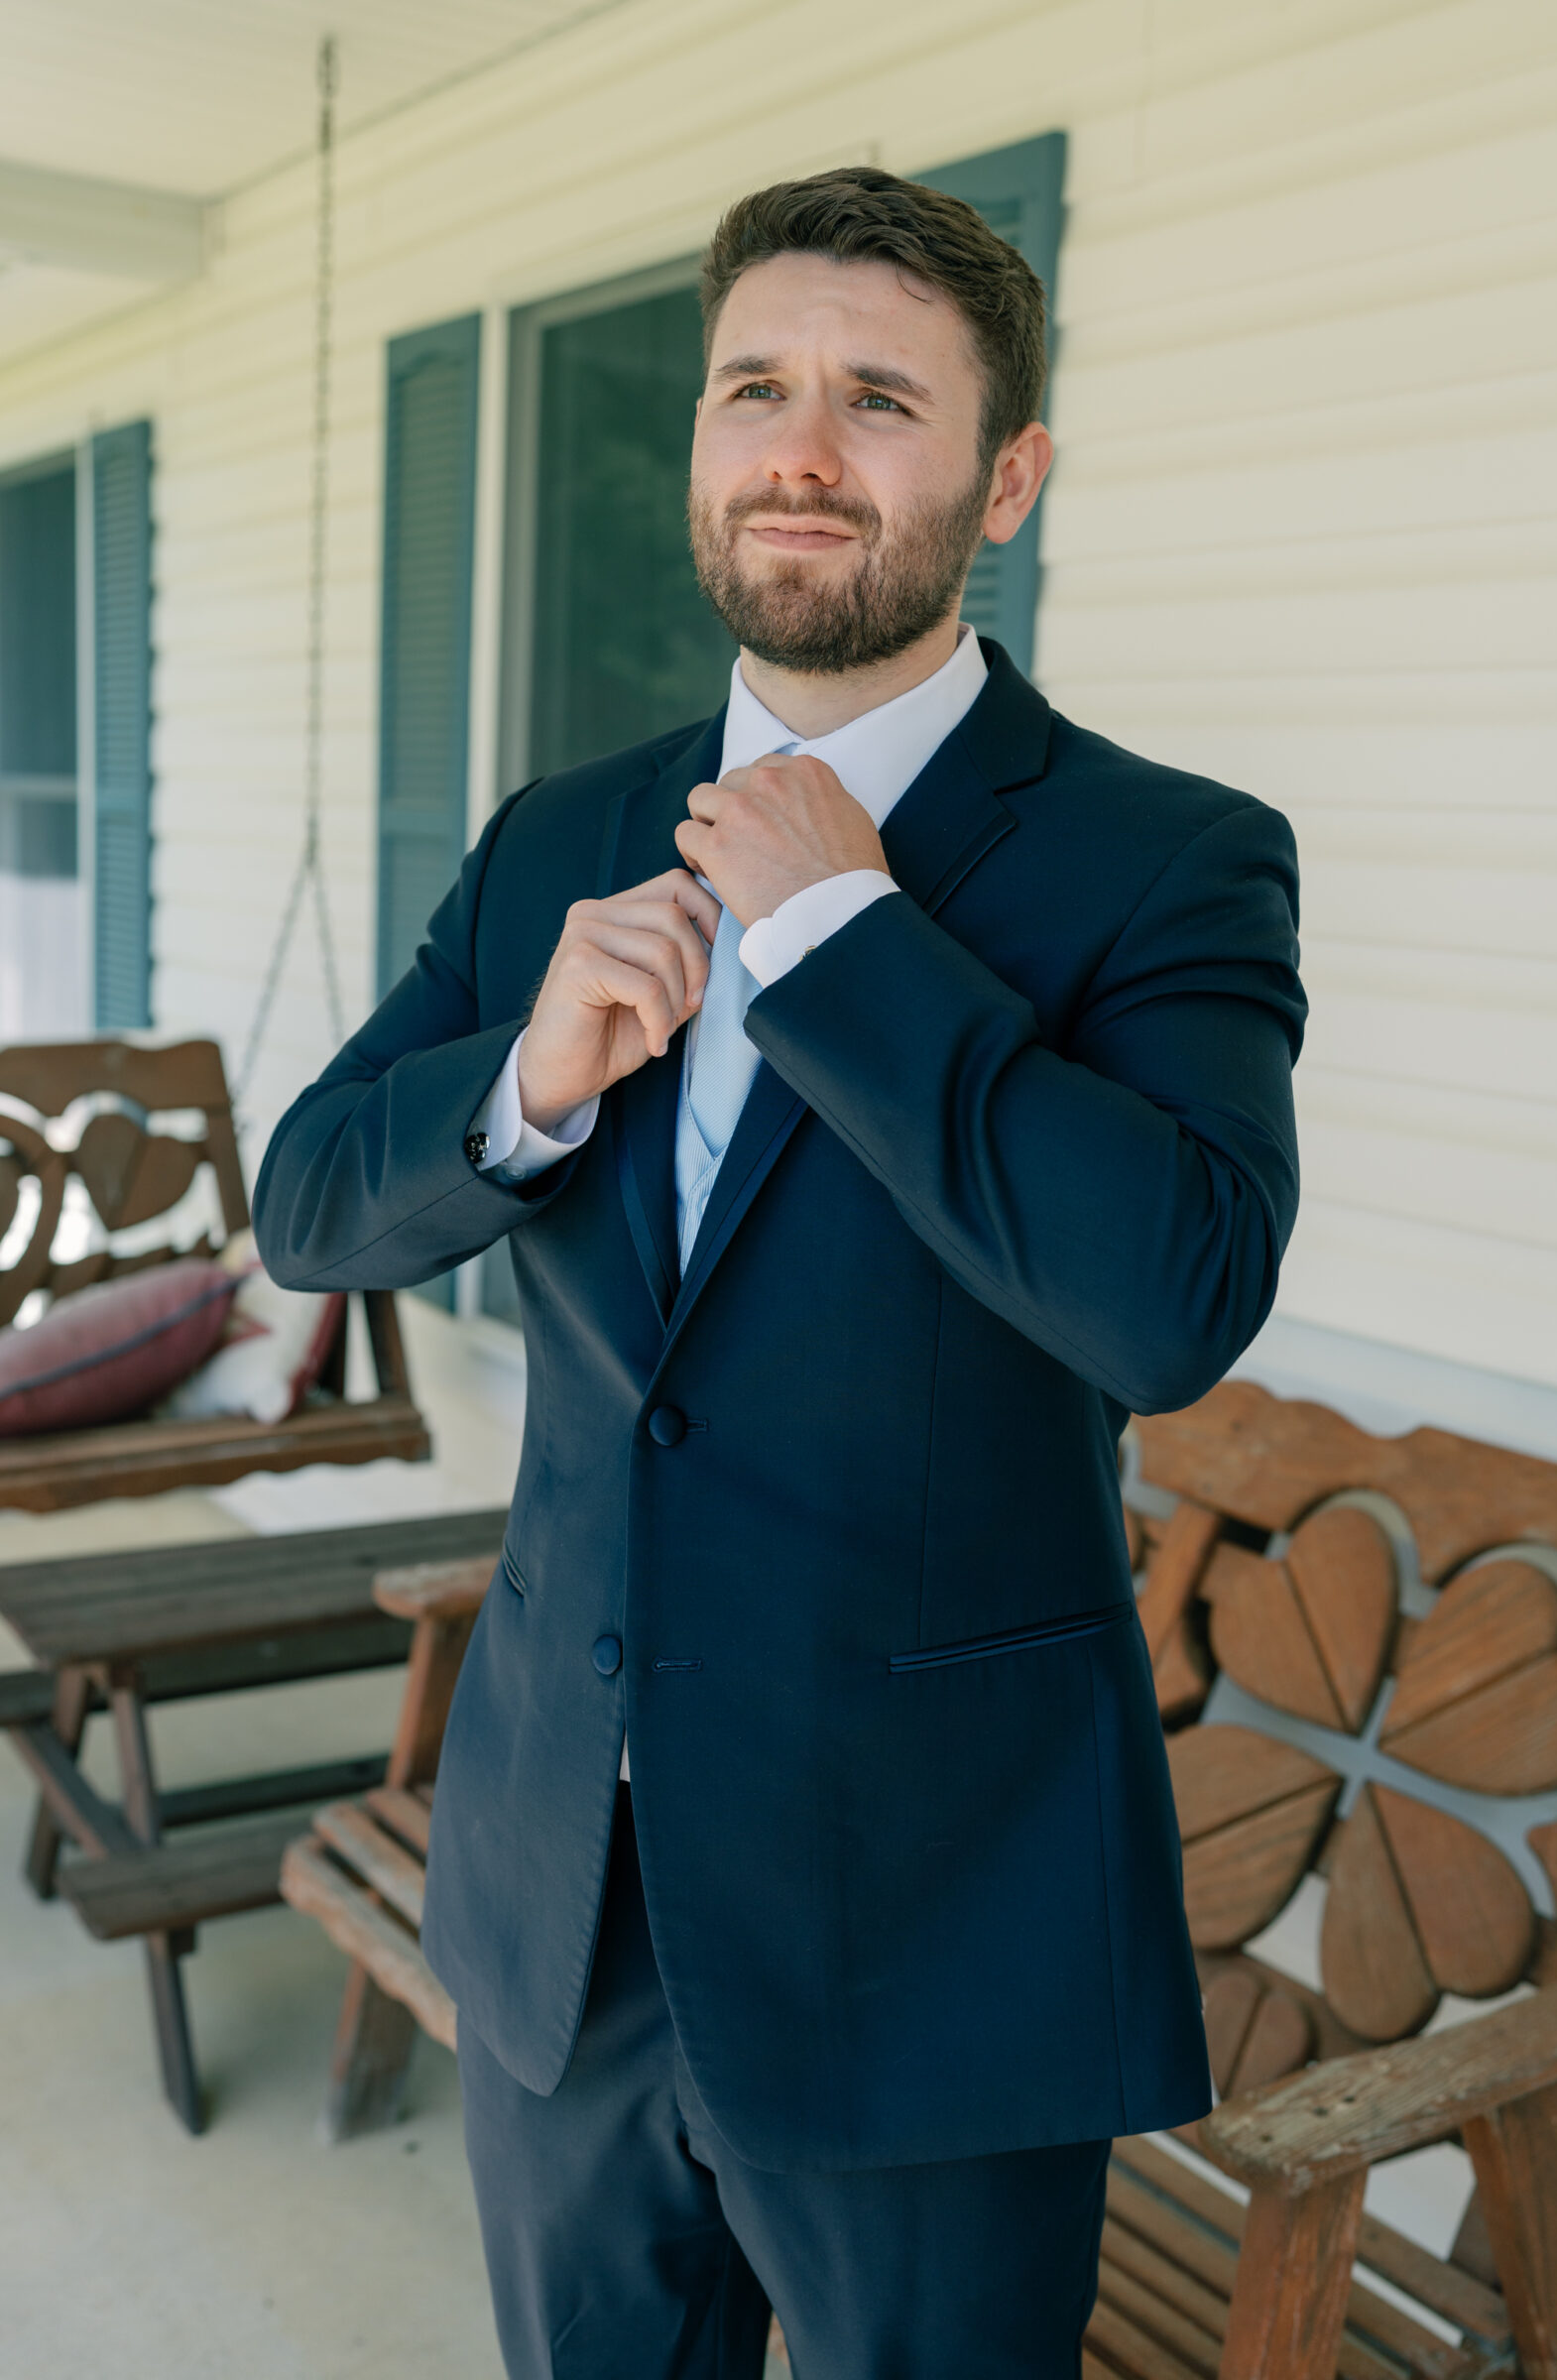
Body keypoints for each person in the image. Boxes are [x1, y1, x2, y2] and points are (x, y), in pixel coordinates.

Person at [255, 165, 1305, 2380]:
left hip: (932, 1932)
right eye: (755, 388)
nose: (801, 448)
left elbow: (1170, 1299)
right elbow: (312, 1205)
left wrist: (846, 943)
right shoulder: (558, 829)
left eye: (878, 400)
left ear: (1004, 476)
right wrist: (524, 1080)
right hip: (566, 1904)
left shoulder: (1161, 857)